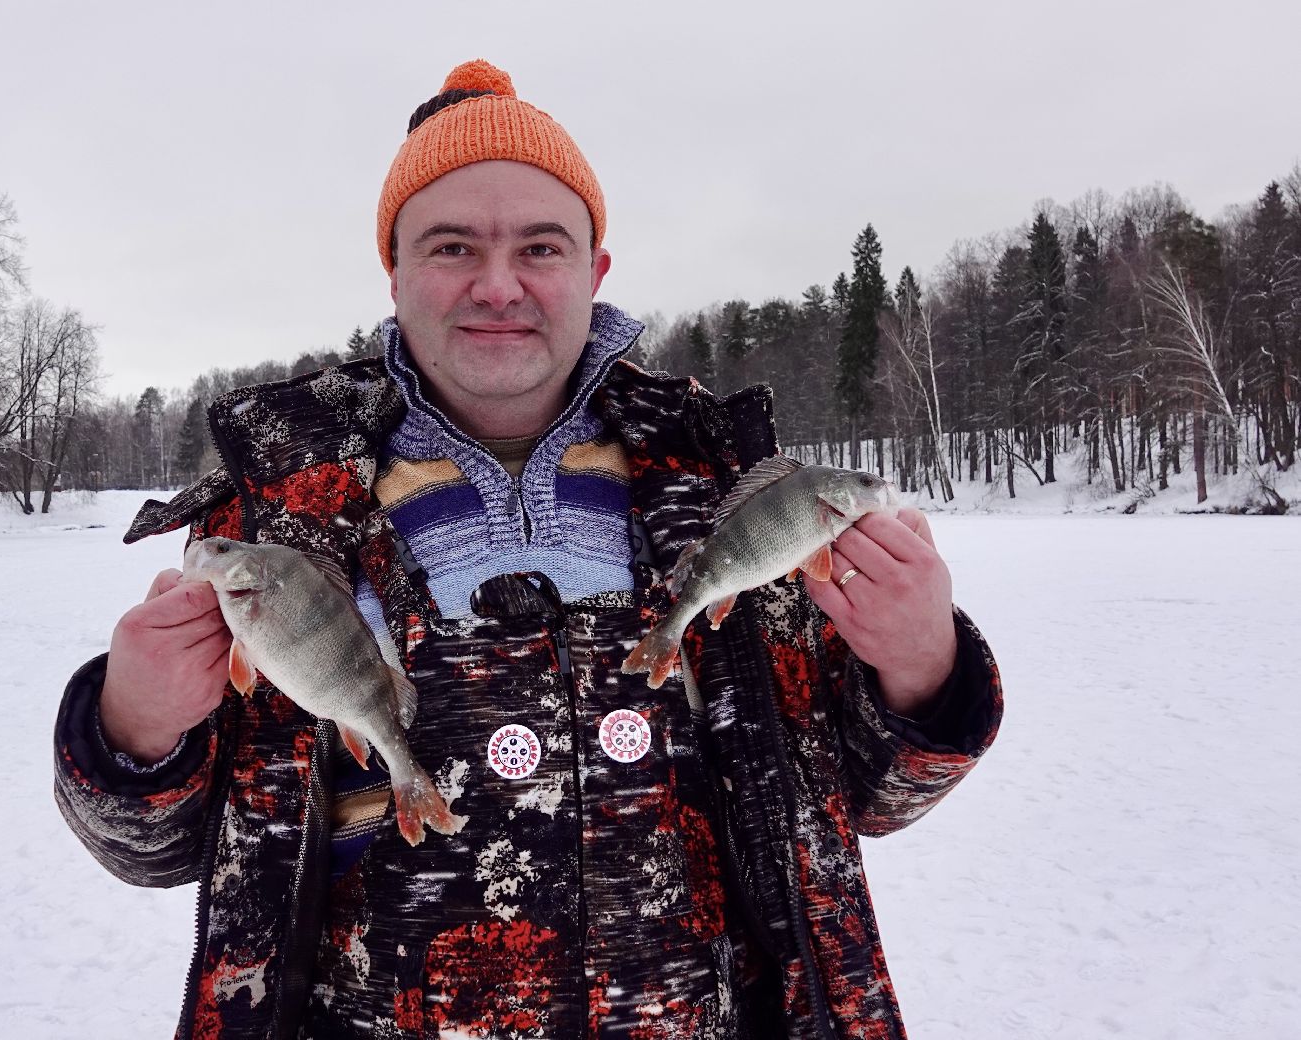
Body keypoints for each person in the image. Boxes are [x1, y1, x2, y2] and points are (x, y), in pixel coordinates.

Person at [54, 60, 1003, 1039]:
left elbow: (869, 802)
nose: (497, 285)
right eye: (452, 245)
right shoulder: (280, 508)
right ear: (395, 271)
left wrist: (920, 666)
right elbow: (152, 854)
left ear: (593, 270)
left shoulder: (727, 484)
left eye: (540, 247)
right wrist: (134, 729)